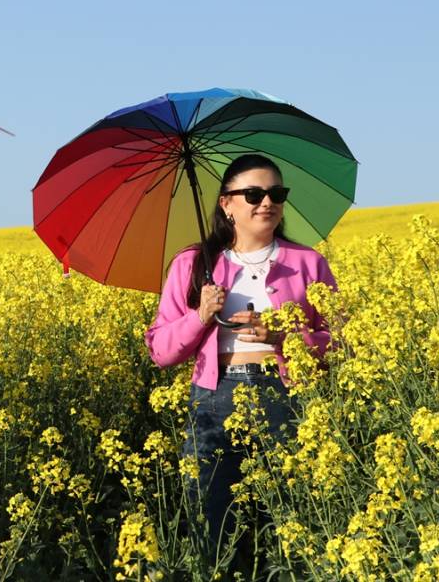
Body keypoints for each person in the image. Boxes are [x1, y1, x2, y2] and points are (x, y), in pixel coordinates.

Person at [144, 153, 336, 567]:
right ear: (226, 203)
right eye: (253, 194)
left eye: (276, 193)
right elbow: (161, 350)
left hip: (286, 395)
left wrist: (284, 337)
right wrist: (199, 317)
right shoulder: (193, 265)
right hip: (215, 398)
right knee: (213, 526)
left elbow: (344, 342)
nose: (266, 202)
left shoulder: (308, 262)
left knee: (290, 523)